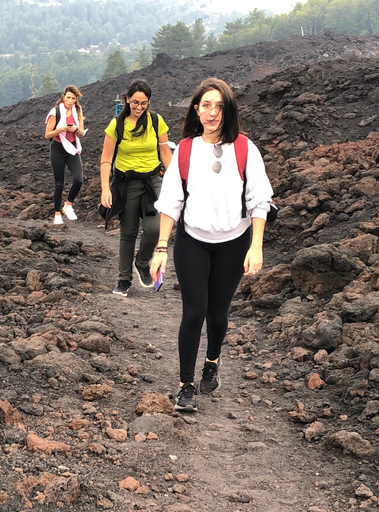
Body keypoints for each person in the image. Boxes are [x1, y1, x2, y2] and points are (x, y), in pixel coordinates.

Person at [150, 77, 273, 412]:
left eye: (219, 106)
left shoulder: (246, 149)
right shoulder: (186, 150)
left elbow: (260, 199)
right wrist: (161, 247)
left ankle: (213, 362)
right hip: (193, 241)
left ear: (228, 110)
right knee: (194, 312)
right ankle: (185, 386)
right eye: (206, 105)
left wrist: (256, 246)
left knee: (218, 314)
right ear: (196, 109)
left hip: (234, 242)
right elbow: (172, 201)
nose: (212, 112)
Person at [100, 79, 173, 297]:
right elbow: (106, 159)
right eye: (135, 102)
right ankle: (124, 279)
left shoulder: (156, 121)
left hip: (153, 180)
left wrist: (177, 180)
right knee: (128, 232)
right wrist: (106, 188)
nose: (139, 107)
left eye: (144, 103)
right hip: (127, 182)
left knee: (155, 228)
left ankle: (142, 262)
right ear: (127, 100)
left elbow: (165, 153)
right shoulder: (117, 125)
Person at [45, 85, 86, 225]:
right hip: (58, 148)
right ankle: (57, 213)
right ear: (63, 97)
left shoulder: (78, 111)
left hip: (72, 148)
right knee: (59, 183)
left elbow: (81, 133)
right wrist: (60, 129)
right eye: (68, 97)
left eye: (73, 98)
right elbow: (47, 134)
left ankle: (68, 205)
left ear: (76, 100)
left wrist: (75, 129)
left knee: (79, 179)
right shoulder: (55, 112)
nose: (70, 101)